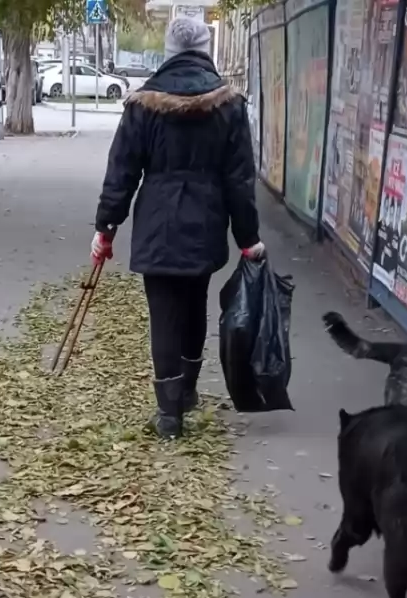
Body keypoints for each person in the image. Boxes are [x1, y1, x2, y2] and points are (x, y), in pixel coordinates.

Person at [91, 16, 265, 439]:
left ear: (169, 50)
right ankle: (186, 391)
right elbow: (239, 181)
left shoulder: (142, 103)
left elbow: (122, 172)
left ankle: (169, 416)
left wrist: (106, 228)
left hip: (157, 223)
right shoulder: (229, 104)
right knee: (194, 302)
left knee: (163, 313)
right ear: (205, 48)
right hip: (205, 221)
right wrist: (249, 240)